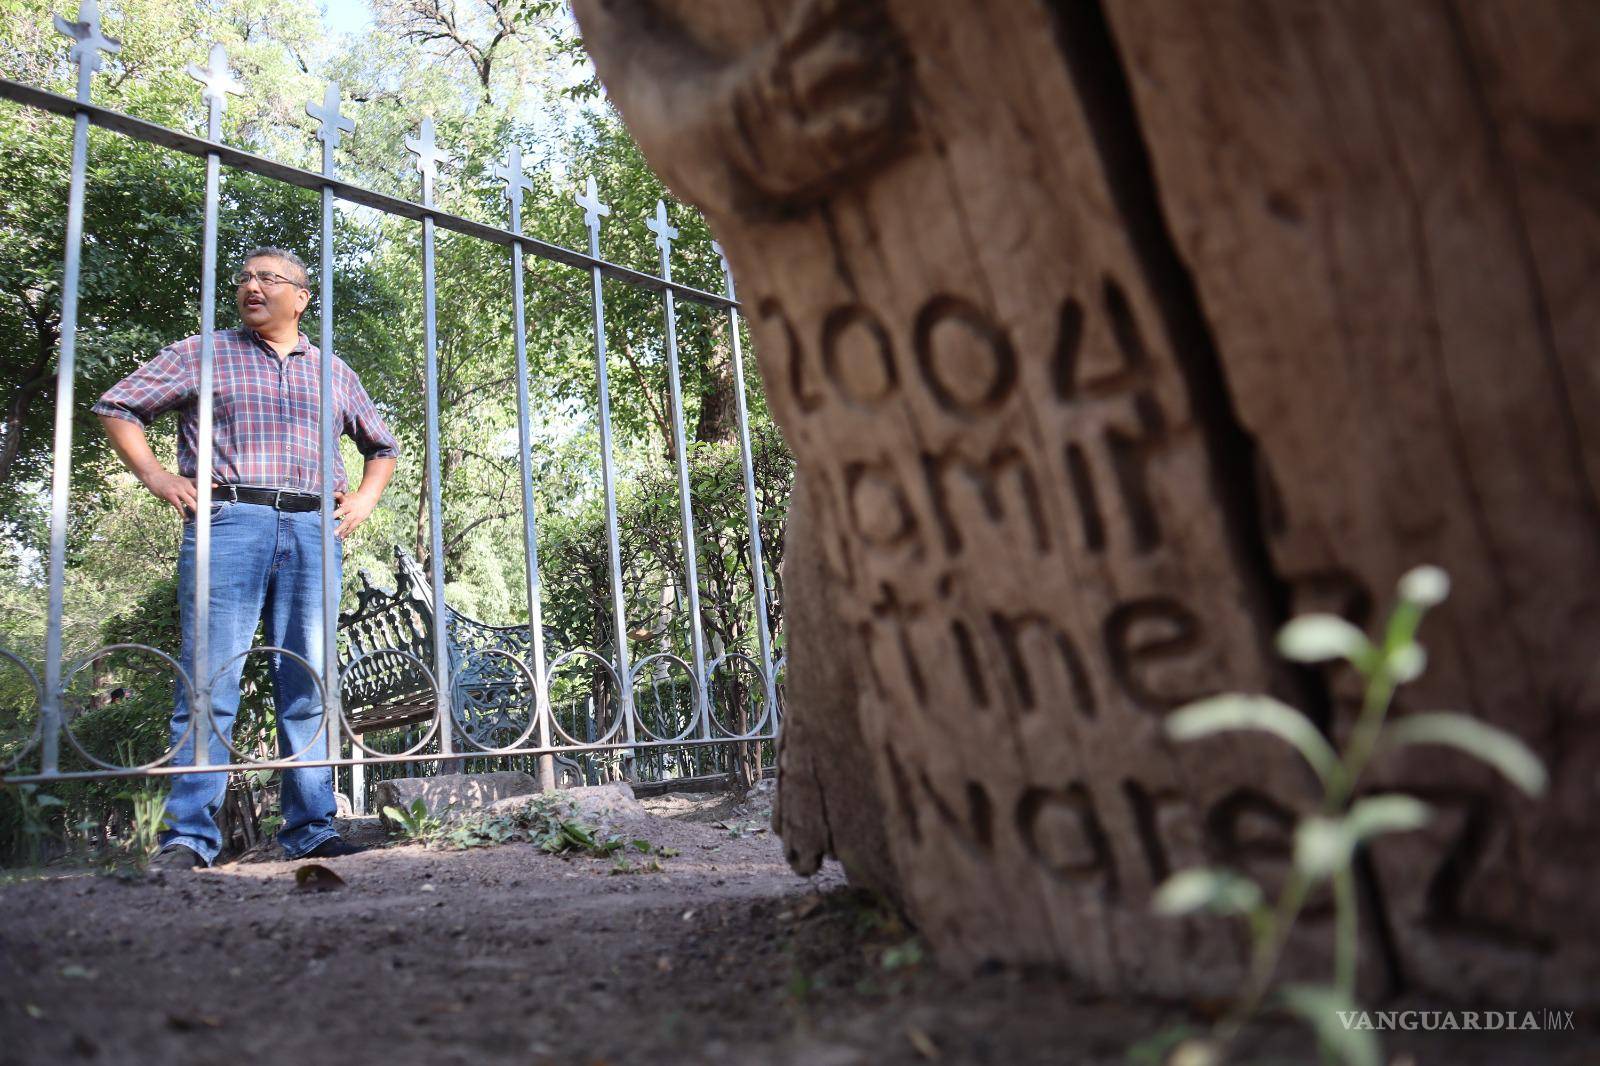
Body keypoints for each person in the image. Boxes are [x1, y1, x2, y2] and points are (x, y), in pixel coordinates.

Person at [94, 247, 399, 870]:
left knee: (308, 680)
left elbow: (382, 445)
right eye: (245, 278)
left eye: (268, 278)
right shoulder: (204, 352)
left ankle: (312, 828)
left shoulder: (333, 371)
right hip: (230, 521)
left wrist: (364, 501)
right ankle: (188, 838)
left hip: (315, 530)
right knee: (211, 679)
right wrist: (156, 476)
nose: (252, 287)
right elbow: (117, 406)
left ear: (301, 297)